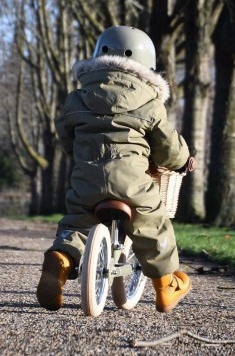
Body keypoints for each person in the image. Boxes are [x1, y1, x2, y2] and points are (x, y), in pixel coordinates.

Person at [36, 26, 193, 313]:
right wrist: (182, 161)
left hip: (87, 179)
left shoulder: (78, 98)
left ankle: (60, 261)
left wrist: (79, 154)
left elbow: (67, 136)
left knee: (76, 223)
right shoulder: (150, 102)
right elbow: (167, 146)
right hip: (132, 182)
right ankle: (166, 286)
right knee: (152, 225)